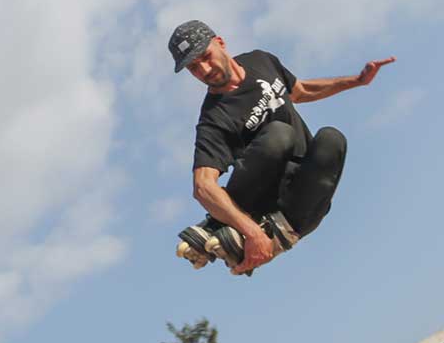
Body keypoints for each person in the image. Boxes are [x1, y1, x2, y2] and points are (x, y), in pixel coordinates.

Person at [168, 20, 394, 274]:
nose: (205, 70)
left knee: (332, 139)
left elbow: (300, 91)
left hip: (303, 197)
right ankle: (230, 225)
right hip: (263, 203)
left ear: (220, 43)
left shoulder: (259, 60)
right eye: (194, 68)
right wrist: (251, 231)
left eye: (206, 57)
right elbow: (202, 186)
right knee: (280, 134)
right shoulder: (214, 118)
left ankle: (249, 232)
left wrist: (356, 81)